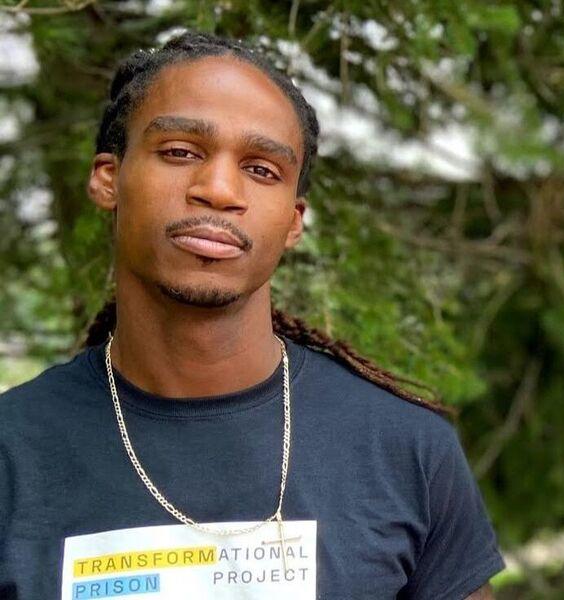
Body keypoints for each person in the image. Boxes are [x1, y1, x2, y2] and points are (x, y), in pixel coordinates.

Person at [0, 32, 505, 599]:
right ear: (108, 178)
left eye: (261, 169)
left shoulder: (404, 449)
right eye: (180, 152)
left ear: (293, 221)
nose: (218, 190)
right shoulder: (13, 451)